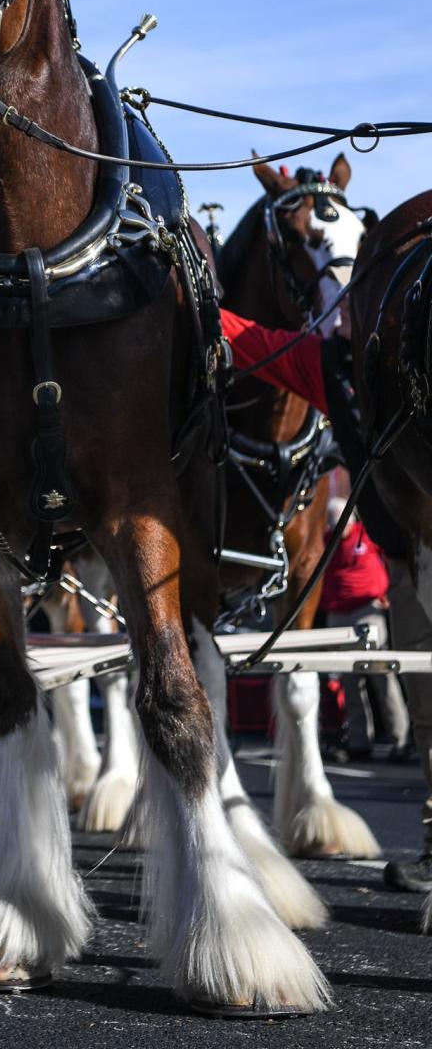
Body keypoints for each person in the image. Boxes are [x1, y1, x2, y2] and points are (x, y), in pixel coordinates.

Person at [221, 303, 432, 894]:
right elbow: (255, 340)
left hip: (410, 556)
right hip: (411, 558)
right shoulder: (337, 364)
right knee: (427, 709)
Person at [320, 497, 411, 762]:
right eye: (333, 521)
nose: (337, 526)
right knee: (349, 682)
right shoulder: (327, 540)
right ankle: (360, 741)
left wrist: (390, 590)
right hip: (338, 614)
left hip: (367, 612)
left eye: (340, 520)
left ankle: (400, 740)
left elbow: (389, 556)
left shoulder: (367, 534)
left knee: (381, 676)